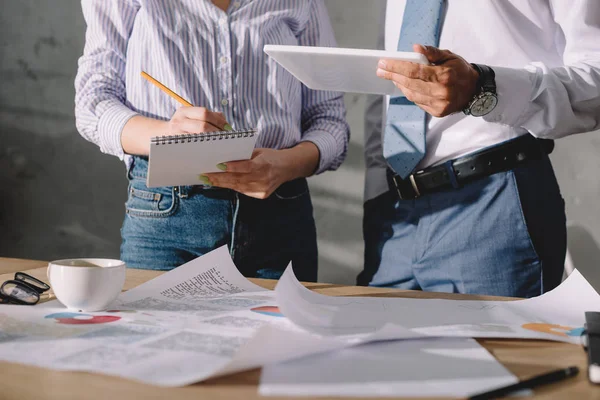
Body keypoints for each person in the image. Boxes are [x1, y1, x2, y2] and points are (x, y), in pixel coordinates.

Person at [74, 0, 349, 281]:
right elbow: (93, 104)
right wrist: (166, 134)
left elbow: (330, 121)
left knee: (282, 326)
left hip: (280, 213)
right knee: (156, 325)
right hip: (167, 216)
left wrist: (287, 165)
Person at [359, 0, 600, 297]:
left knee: (494, 344)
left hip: (495, 204)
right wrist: (376, 196)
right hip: (394, 216)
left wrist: (484, 88)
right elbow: (386, 81)